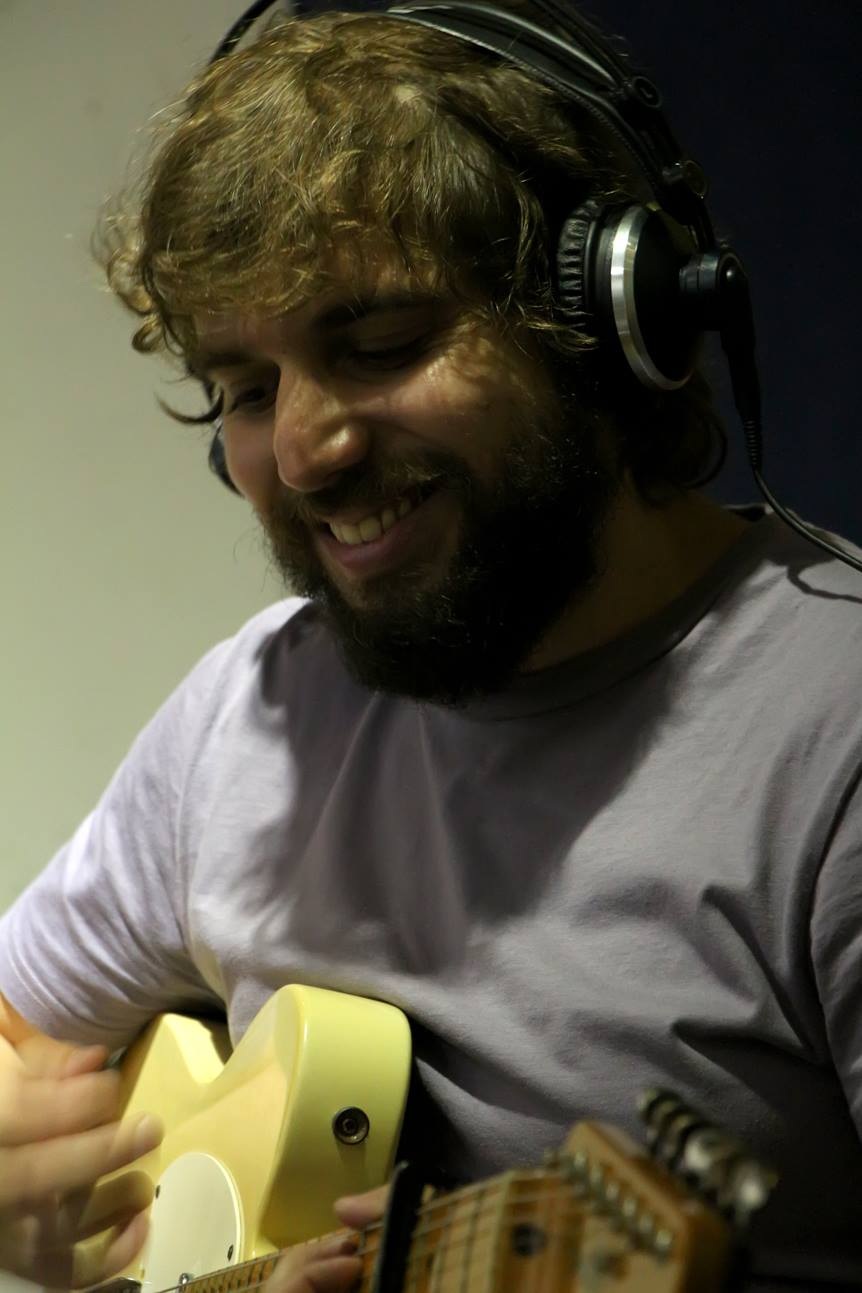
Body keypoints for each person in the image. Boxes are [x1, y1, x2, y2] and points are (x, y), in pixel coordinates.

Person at [2, 3, 862, 1289]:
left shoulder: (833, 741)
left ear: (610, 323)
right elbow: (21, 1030)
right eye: (246, 390)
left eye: (381, 347)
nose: (305, 453)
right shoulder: (249, 714)